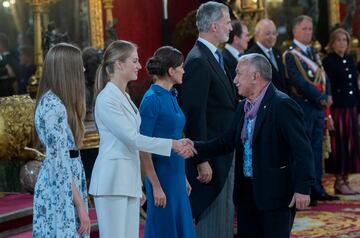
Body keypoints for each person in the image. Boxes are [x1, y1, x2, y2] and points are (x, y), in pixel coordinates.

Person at [193, 53, 315, 238]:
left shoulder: (282, 105)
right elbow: (226, 142)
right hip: (247, 193)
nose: (234, 80)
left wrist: (302, 188)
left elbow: (303, 150)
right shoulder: (243, 106)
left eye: (238, 73)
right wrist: (194, 147)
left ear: (255, 76)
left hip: (276, 195)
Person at [88, 40, 195, 238]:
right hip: (112, 181)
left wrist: (137, 185)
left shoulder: (125, 97)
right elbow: (133, 139)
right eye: (134, 61)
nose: (139, 66)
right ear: (119, 64)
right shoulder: (107, 98)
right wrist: (172, 144)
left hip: (126, 180)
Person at [178, 2, 238, 237]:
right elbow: (194, 114)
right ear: (214, 26)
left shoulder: (214, 56)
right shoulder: (198, 60)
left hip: (223, 151)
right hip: (211, 157)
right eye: (227, 21)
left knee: (224, 217)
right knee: (213, 220)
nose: (230, 26)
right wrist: (201, 159)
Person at [33, 43, 90, 237]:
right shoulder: (53, 106)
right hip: (61, 187)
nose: (83, 69)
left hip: (66, 182)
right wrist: (81, 206)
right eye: (79, 65)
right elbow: (60, 163)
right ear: (67, 70)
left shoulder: (55, 102)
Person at [139, 46, 196, 238]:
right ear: (171, 71)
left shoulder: (171, 95)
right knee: (165, 229)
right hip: (161, 176)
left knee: (181, 228)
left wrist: (183, 177)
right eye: (181, 66)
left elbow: (175, 136)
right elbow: (143, 147)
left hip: (176, 173)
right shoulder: (151, 99)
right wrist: (155, 185)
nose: (184, 70)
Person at [283, 15, 338, 203]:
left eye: (310, 28)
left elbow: (324, 75)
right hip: (304, 107)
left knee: (317, 149)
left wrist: (328, 94)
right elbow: (298, 82)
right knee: (303, 151)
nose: (308, 32)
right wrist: (320, 98)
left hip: (318, 109)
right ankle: (305, 189)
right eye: (305, 28)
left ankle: (317, 188)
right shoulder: (291, 54)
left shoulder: (313, 52)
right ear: (295, 30)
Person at [323, 28, 360, 194]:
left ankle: (346, 179)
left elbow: (355, 87)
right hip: (337, 109)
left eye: (344, 40)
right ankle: (338, 180)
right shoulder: (328, 61)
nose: (342, 43)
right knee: (340, 144)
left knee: (351, 143)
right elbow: (326, 88)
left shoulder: (350, 60)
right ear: (332, 43)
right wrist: (328, 114)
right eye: (338, 40)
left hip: (351, 107)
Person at [246, 19, 288, 93]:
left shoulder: (277, 52)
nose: (272, 37)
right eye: (268, 33)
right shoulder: (252, 55)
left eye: (274, 33)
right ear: (257, 35)